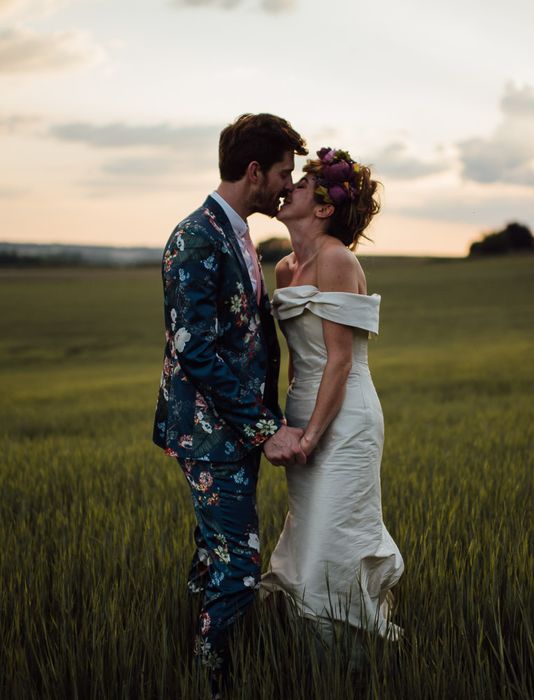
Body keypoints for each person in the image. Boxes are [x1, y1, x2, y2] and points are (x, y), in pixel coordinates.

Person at [152, 113, 308, 697]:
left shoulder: (239, 232)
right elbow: (193, 350)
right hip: (208, 432)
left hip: (231, 430)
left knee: (214, 558)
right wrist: (265, 427)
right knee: (240, 569)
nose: (287, 186)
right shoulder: (194, 238)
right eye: (282, 174)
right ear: (253, 172)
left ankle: (194, 660)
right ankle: (213, 685)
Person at [260, 147, 404, 644]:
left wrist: (312, 436)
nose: (288, 187)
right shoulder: (284, 268)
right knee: (308, 536)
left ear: (322, 209)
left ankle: (353, 661)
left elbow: (339, 360)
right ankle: (313, 659)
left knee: (334, 538)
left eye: (300, 184)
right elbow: (298, 361)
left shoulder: (337, 258)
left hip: (344, 420)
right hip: (304, 412)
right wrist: (287, 425)